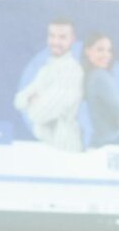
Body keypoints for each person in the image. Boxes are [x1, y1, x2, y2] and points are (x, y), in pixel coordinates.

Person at [13, 16, 83, 152]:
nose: (56, 42)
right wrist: (33, 99)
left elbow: (38, 114)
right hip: (44, 147)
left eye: (62, 37)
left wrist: (32, 99)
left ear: (72, 39)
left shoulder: (72, 71)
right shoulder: (46, 69)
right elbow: (18, 100)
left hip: (64, 148)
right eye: (52, 36)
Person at [79, 33, 119, 149]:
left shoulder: (88, 76)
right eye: (100, 50)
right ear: (87, 51)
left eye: (109, 50)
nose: (107, 55)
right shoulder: (100, 77)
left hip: (98, 143)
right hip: (110, 143)